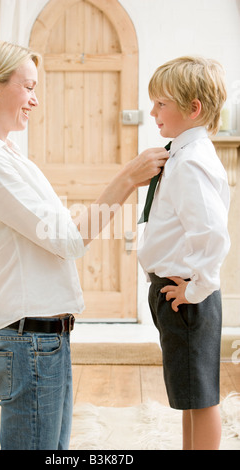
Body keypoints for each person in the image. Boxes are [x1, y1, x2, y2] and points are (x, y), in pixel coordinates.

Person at [0, 40, 168, 450]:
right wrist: (127, 177)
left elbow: (61, 225)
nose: (35, 100)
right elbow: (69, 239)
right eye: (29, 87)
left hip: (43, 336)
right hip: (28, 339)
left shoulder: (7, 155)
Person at [138, 56, 230, 450]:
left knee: (200, 394)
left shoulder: (191, 162)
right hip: (176, 293)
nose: (153, 111)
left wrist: (195, 290)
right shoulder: (179, 154)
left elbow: (212, 234)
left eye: (162, 103)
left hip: (186, 296)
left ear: (193, 109)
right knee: (189, 392)